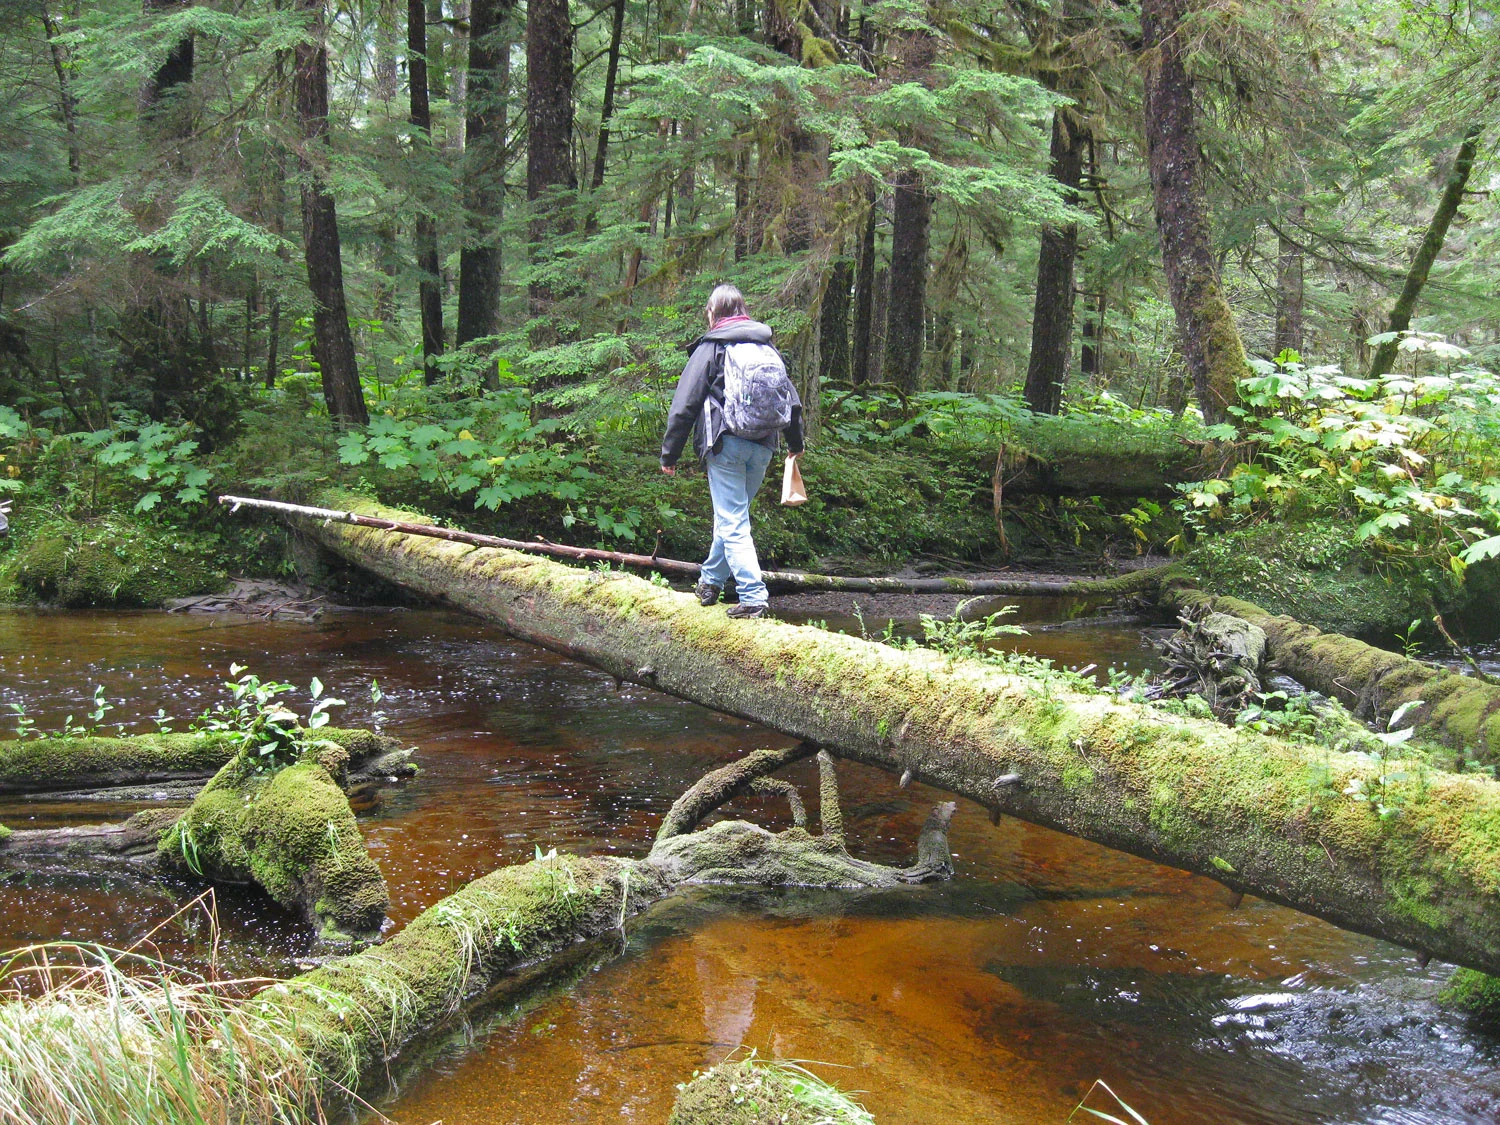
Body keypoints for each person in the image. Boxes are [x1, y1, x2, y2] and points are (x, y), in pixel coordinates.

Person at [660, 284, 803, 618]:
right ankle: (710, 582)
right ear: (743, 309)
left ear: (713, 312)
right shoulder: (767, 347)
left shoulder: (711, 348)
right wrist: (795, 445)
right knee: (733, 517)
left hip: (725, 443)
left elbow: (685, 405)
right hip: (765, 445)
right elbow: (791, 400)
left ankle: (753, 596)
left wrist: (670, 454)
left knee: (733, 521)